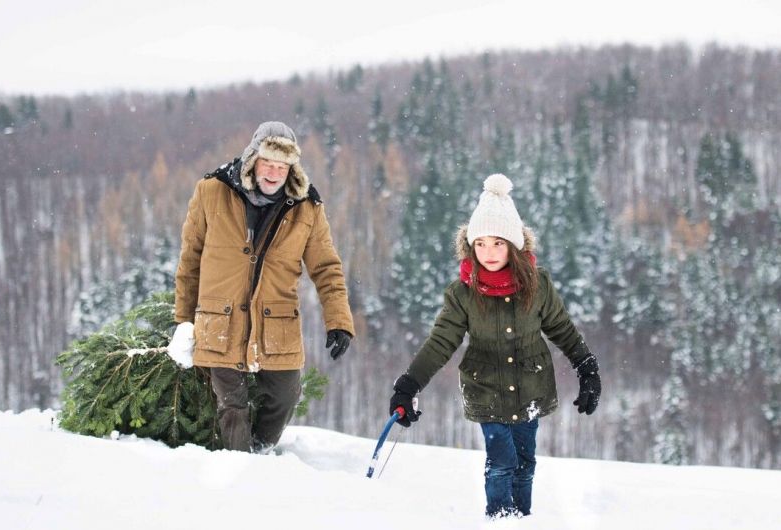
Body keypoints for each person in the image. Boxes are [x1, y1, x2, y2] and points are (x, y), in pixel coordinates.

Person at [388, 173, 601, 519]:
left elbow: (561, 328)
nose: (488, 252)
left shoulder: (538, 285)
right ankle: (500, 519)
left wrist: (586, 368)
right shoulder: (463, 294)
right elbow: (441, 341)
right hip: (486, 388)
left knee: (525, 462)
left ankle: (522, 520)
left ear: (514, 246)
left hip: (531, 387)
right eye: (481, 244)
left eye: (498, 243)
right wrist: (409, 384)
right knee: (502, 461)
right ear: (470, 246)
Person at [169, 121, 355, 453]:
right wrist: (184, 321)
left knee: (286, 395)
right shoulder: (211, 191)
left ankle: (260, 451)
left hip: (276, 325)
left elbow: (327, 269)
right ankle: (242, 466)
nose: (273, 173)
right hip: (220, 321)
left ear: (292, 168)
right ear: (252, 159)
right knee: (232, 405)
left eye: (282, 166)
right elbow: (190, 261)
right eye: (267, 162)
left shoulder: (307, 208)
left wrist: (339, 321)